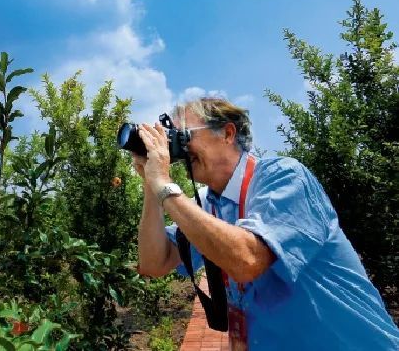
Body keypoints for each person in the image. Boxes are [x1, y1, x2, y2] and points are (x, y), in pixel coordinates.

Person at [133, 97, 399, 350]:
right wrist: (151, 186)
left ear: (228, 133)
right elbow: (154, 263)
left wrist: (165, 187)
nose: (178, 150)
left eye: (184, 137)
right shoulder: (207, 205)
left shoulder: (284, 178)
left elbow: (247, 260)